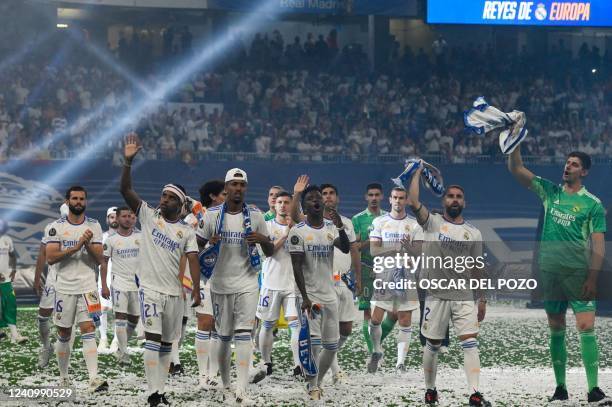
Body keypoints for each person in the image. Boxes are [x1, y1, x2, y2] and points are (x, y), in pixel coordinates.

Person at [508, 148, 609, 404]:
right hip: (550, 273)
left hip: (578, 274)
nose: (568, 166)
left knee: (586, 327)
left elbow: (598, 247)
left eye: (574, 164)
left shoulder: (592, 204)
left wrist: (592, 279)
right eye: (567, 162)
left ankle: (593, 390)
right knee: (556, 328)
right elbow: (517, 169)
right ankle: (560, 388)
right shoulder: (550, 192)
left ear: (583, 172)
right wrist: (515, 144)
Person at [120, 133, 201, 407]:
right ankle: (153, 393)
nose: (163, 199)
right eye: (163, 195)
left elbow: (192, 260)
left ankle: (160, 390)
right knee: (153, 340)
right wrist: (128, 163)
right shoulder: (148, 215)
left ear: (179, 203)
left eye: (169, 197)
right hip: (151, 290)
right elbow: (126, 191)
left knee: (168, 344)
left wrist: (197, 291)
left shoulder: (187, 231)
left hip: (175, 294)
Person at [406, 165, 489, 407]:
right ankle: (430, 390)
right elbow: (413, 201)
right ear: (444, 200)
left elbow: (477, 268)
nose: (454, 199)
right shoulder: (431, 222)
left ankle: (475, 393)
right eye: (451, 196)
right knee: (432, 345)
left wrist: (481, 298)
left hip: (463, 296)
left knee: (470, 342)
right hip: (435, 295)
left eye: (459, 196)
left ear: (465, 202)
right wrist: (417, 173)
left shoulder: (473, 233)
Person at [196, 168, 274, 404]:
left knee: (243, 334)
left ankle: (241, 390)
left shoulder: (256, 215)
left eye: (242, 185)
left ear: (245, 188)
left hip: (248, 281)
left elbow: (270, 251)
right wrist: (208, 245)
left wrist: (262, 240)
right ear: (227, 187)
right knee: (223, 336)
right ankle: (226, 384)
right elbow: (195, 246)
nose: (238, 188)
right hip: (219, 283)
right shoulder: (211, 216)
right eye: (234, 184)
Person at [288, 183, 350, 400]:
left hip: (329, 294)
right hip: (309, 296)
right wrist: (303, 297)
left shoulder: (331, 228)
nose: (316, 200)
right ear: (305, 206)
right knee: (314, 344)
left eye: (318, 198)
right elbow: (296, 266)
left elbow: (345, 248)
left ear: (323, 203)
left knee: (332, 346)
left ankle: (318, 381)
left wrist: (341, 227)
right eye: (311, 198)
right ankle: (313, 386)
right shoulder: (298, 232)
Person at [45, 186, 109, 392]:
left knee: (89, 329)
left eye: (82, 198)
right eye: (75, 198)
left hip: (88, 286)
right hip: (63, 287)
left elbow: (100, 259)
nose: (79, 202)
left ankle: (93, 379)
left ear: (86, 202)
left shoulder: (94, 226)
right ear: (67, 201)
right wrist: (75, 246)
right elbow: (51, 257)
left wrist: (87, 243)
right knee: (64, 333)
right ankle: (64, 378)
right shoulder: (55, 227)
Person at [367, 187, 422, 374]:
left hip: (406, 275)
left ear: (406, 200)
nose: (398, 201)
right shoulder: (380, 222)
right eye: (395, 198)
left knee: (405, 320)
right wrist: (396, 250)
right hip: (384, 275)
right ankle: (376, 350)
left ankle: (400, 363)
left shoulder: (414, 225)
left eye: (401, 198)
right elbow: (374, 251)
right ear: (389, 200)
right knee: (375, 319)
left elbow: (419, 253)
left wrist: (409, 248)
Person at [254, 191, 301, 380]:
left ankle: (298, 364)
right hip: (271, 283)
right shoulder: (267, 227)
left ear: (291, 205)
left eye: (286, 202)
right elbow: (269, 252)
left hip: (293, 285)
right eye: (279, 202)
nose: (282, 205)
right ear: (274, 205)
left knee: (295, 325)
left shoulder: (299, 228)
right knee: (267, 324)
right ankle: (266, 362)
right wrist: (286, 234)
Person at [320, 184, 361, 383]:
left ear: (338, 198)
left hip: (344, 281)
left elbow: (353, 251)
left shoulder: (347, 222)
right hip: (325, 282)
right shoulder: (314, 221)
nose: (328, 197)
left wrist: (359, 278)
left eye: (331, 193)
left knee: (346, 329)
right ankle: (336, 371)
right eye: (324, 194)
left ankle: (326, 358)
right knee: (330, 329)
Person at [351, 183, 393, 353]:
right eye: (371, 195)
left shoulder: (389, 218)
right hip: (366, 268)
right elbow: (355, 247)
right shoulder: (358, 219)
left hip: (387, 268)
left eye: (377, 195)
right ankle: (373, 352)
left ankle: (375, 342)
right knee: (367, 313)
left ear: (382, 197)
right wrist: (371, 239)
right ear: (366, 197)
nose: (374, 198)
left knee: (394, 312)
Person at [192, 179, 226, 388]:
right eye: (223, 193)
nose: (227, 196)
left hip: (227, 277)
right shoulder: (201, 218)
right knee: (205, 323)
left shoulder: (234, 215)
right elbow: (192, 249)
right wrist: (207, 243)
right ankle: (202, 375)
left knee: (218, 327)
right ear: (213, 196)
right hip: (206, 276)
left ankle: (213, 375)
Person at [103, 207, 141, 364]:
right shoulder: (110, 240)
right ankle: (124, 353)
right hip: (119, 282)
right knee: (120, 317)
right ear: (117, 219)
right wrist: (104, 286)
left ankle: (119, 347)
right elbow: (104, 263)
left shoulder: (142, 237)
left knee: (134, 317)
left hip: (138, 284)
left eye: (131, 216)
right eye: (124, 216)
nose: (128, 219)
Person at [34, 203, 69, 367]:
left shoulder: (87, 226)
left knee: (69, 320)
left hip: (74, 279)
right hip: (53, 278)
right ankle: (46, 346)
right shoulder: (51, 227)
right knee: (43, 316)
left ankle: (63, 355)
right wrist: (36, 279)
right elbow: (42, 253)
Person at [0, 218, 26, 344]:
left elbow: (13, 255)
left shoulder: (7, 239)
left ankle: (15, 335)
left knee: (10, 304)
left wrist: (14, 269)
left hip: (5, 279)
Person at [98, 206, 119, 352]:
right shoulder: (102, 237)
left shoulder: (127, 236)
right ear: (107, 219)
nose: (114, 219)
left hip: (121, 279)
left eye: (117, 216)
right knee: (102, 310)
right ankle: (103, 338)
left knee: (119, 312)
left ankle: (117, 340)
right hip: (104, 278)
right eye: (112, 217)